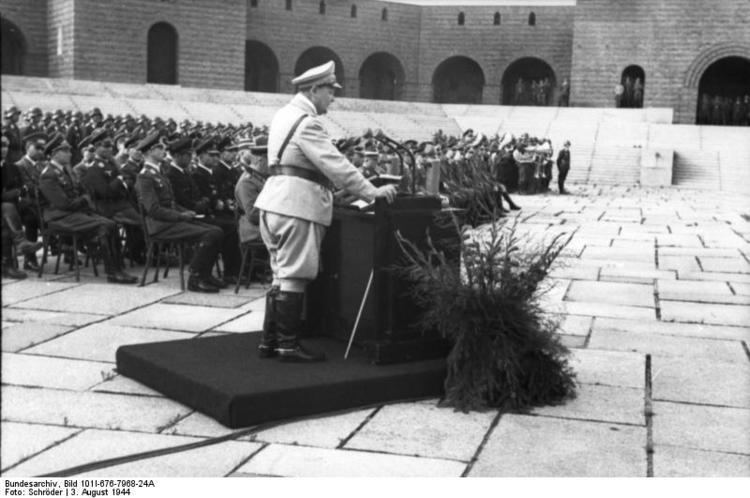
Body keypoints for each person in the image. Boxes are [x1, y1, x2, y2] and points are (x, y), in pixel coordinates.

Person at [254, 61, 397, 363]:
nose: (333, 97)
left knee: (280, 274)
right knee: (295, 275)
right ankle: (287, 346)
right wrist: (372, 192)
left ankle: (270, 342)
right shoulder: (307, 122)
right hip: (297, 206)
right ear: (313, 89)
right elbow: (337, 165)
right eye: (330, 90)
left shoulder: (284, 114)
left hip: (275, 202)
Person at [38, 134, 137, 284]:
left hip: (75, 212)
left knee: (111, 224)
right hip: (59, 217)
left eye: (69, 150)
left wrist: (84, 199)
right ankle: (113, 272)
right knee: (106, 225)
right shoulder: (49, 175)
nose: (70, 153)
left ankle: (117, 269)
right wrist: (85, 200)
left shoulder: (66, 170)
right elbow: (64, 204)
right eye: (65, 150)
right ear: (54, 153)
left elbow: (82, 190)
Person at [134, 131, 225, 293]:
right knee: (211, 234)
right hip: (160, 225)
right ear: (149, 152)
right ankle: (195, 277)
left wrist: (186, 212)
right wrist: (180, 216)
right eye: (159, 148)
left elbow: (171, 203)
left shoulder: (159, 173)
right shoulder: (145, 177)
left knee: (216, 230)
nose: (164, 150)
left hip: (171, 221)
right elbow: (154, 210)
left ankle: (204, 274)